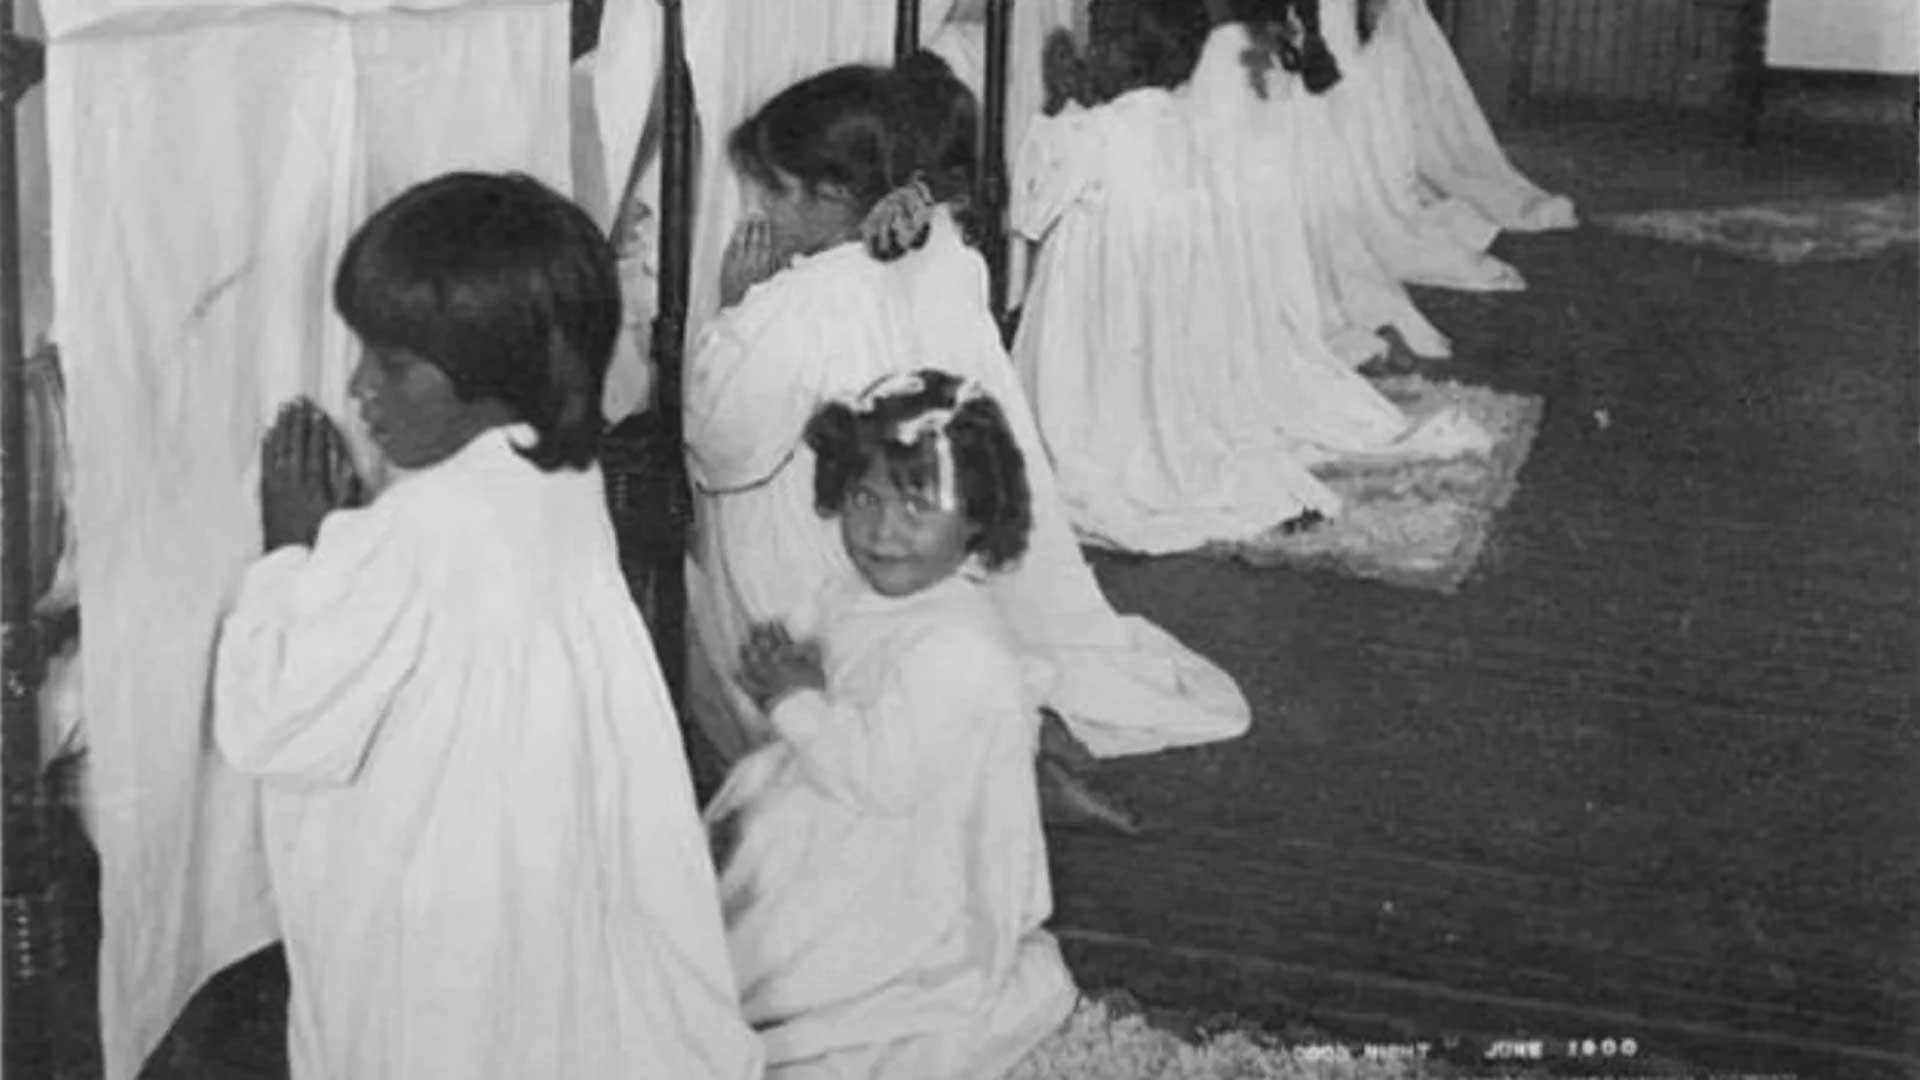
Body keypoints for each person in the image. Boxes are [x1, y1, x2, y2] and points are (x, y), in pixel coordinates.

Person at [212, 172, 763, 1080]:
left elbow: (273, 720)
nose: (356, 388)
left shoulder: (411, 532)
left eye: (390, 364)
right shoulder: (564, 476)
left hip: (451, 883)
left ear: (496, 373)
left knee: (452, 1026)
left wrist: (289, 555)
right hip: (551, 854)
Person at [683, 53, 1251, 820]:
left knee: (796, 725)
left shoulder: (795, 306)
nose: (764, 212)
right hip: (898, 544)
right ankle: (1015, 767)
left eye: (776, 193)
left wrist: (733, 310)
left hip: (795, 551)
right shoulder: (930, 251)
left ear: (833, 195)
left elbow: (722, 446)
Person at [1008, 1, 1493, 556]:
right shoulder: (1177, 119)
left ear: (1117, 59)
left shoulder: (1092, 131)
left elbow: (1030, 210)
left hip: (1095, 313)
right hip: (1163, 322)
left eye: (1100, 43)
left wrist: (1057, 106)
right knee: (1151, 408)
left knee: (1086, 408)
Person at [706, 370, 1079, 1079]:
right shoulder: (859, 587)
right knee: (744, 871)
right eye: (864, 498)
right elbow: (815, 642)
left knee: (780, 958)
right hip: (842, 792)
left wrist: (797, 700)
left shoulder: (958, 644)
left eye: (918, 505)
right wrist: (783, 660)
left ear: (974, 515)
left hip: (916, 859)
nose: (883, 531)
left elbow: (883, 779)